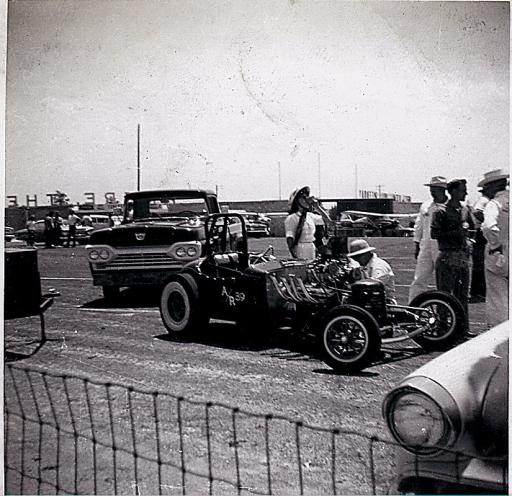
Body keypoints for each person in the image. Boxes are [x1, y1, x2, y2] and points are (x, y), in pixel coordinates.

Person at [430, 178, 474, 326]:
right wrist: (457, 233)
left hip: (462, 258)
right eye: (462, 190)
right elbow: (434, 234)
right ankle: (443, 328)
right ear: (453, 191)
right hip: (447, 257)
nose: (466, 193)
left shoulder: (465, 210)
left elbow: (473, 229)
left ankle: (462, 328)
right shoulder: (440, 211)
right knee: (444, 296)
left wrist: (470, 241)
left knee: (462, 296)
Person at [408, 176, 448, 302]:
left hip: (442, 247)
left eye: (435, 188)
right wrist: (417, 245)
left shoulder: (451, 205)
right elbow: (419, 226)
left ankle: (444, 308)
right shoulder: (426, 205)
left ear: (442, 189)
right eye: (431, 188)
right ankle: (412, 307)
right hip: (425, 246)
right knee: (419, 278)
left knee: (443, 280)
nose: (432, 191)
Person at [479, 169, 509, 328]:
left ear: (495, 186)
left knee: (498, 300)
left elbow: (489, 227)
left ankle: (501, 343)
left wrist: (495, 245)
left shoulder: (494, 204)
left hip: (500, 254)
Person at [284, 186, 331, 260]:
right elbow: (290, 238)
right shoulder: (292, 218)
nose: (306, 200)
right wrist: (294, 255)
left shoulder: (310, 216)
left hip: (311, 247)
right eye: (303, 197)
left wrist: (317, 207)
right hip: (300, 248)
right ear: (297, 201)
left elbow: (327, 221)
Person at [347, 238, 396, 302]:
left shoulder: (379, 266)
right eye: (354, 257)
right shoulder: (364, 265)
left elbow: (373, 286)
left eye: (358, 256)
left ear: (367, 254)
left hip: (384, 302)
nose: (356, 260)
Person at [469, 194, 489, 303]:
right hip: (482, 233)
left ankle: (479, 292)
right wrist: (488, 220)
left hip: (482, 233)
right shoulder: (484, 200)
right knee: (480, 264)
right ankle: (478, 292)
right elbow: (477, 212)